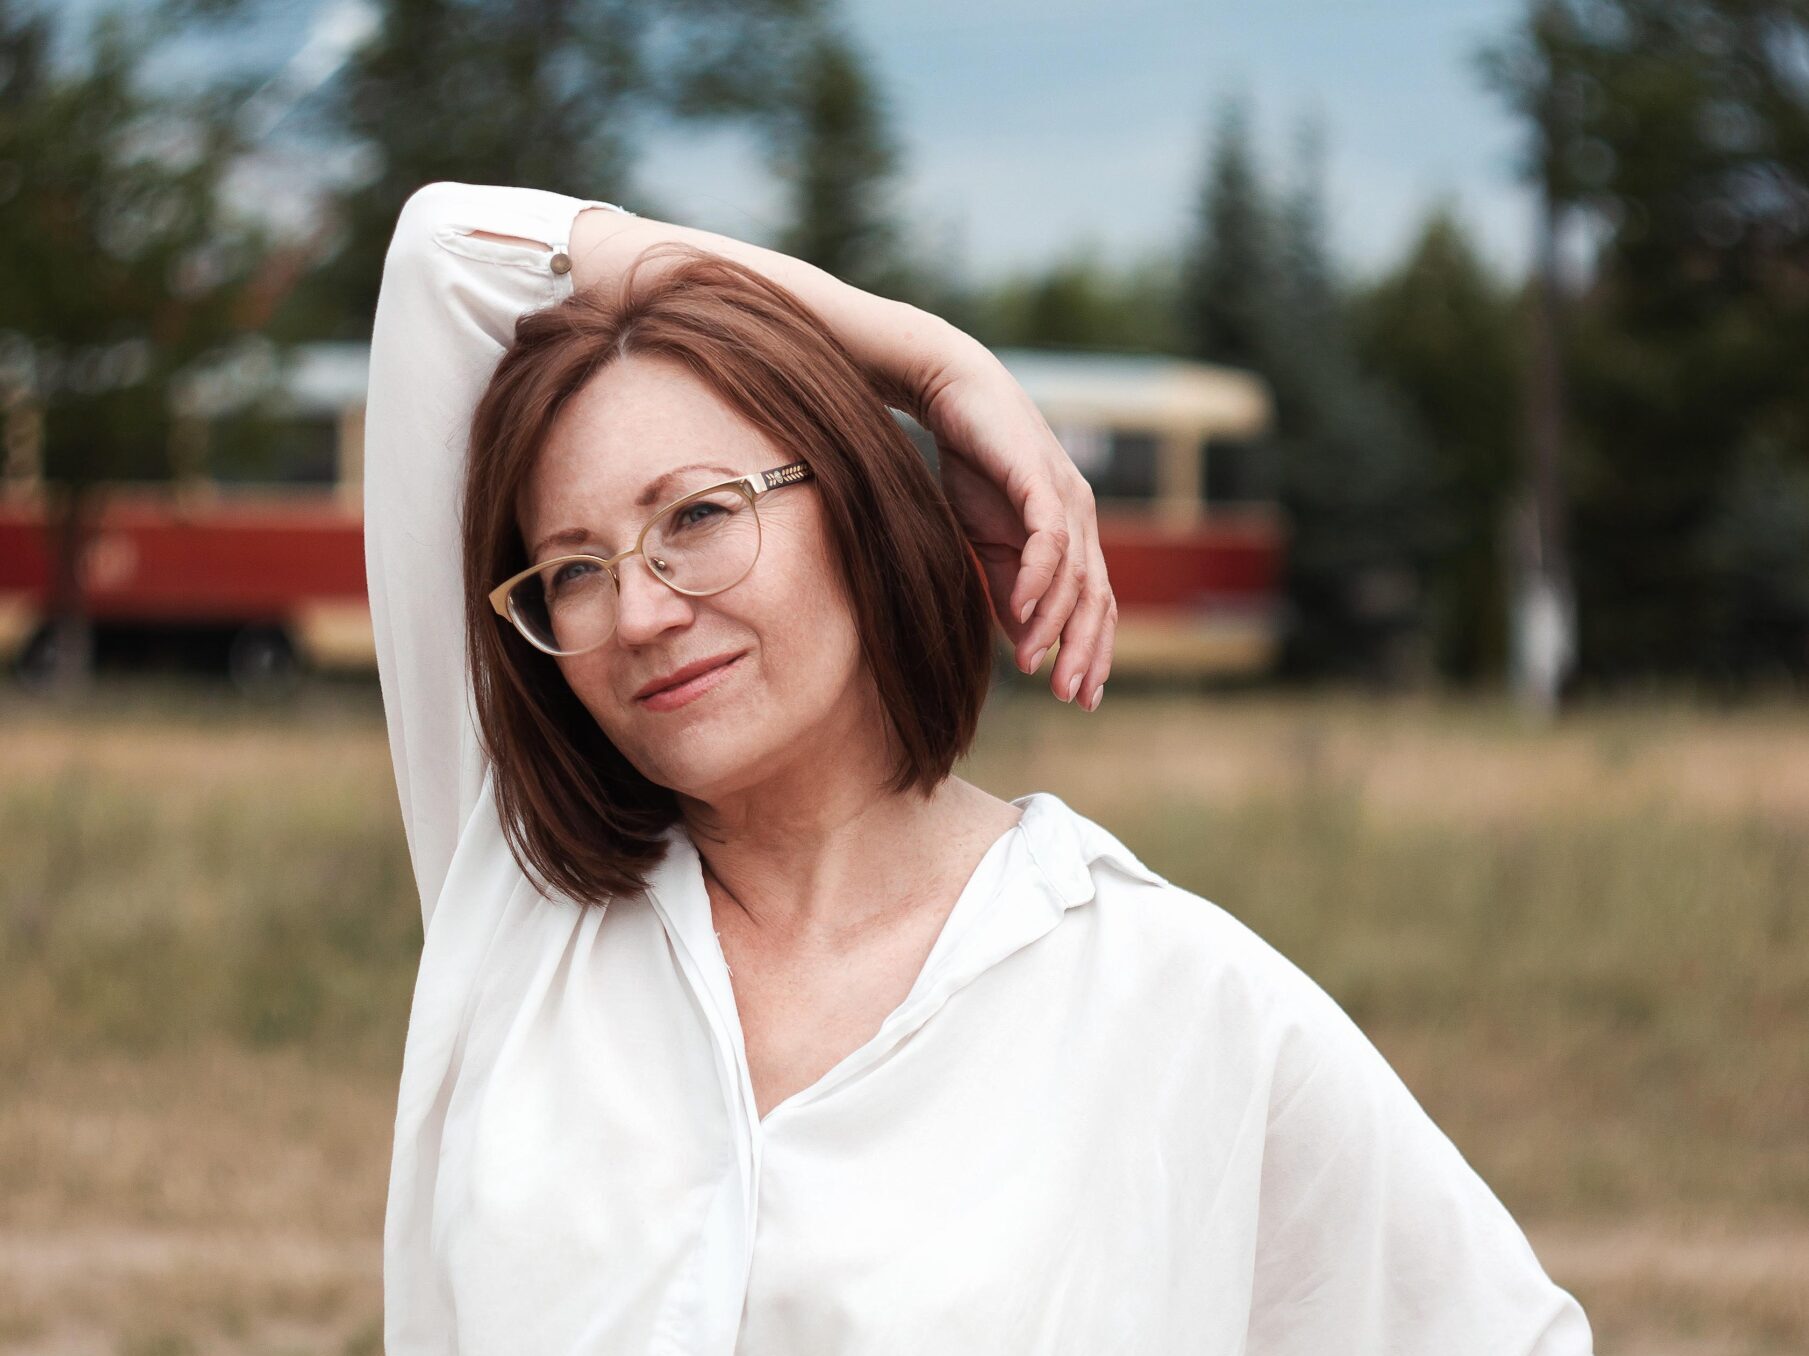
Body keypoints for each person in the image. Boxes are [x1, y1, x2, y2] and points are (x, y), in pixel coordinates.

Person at [364, 180, 1594, 1356]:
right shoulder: (521, 912)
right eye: (574, 569)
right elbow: (447, 255)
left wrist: (940, 376)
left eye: (696, 516)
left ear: (856, 501)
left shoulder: (1168, 995)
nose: (638, 612)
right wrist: (923, 358)